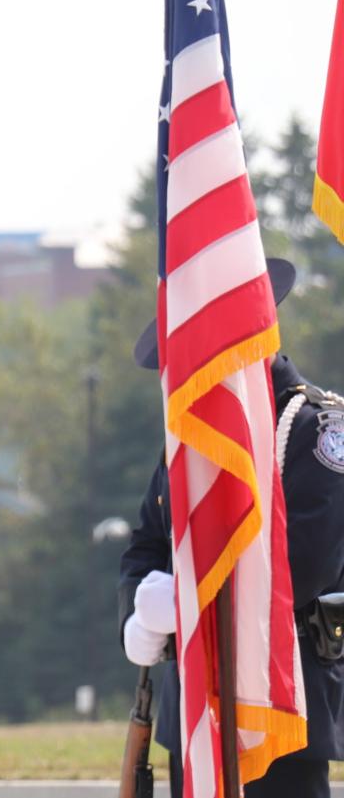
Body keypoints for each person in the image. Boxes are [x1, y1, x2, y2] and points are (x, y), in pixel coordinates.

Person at [119, 258, 344, 798]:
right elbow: (147, 543)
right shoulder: (192, 431)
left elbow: (305, 567)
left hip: (281, 703)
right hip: (193, 706)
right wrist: (139, 609)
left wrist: (187, 596)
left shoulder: (317, 428)